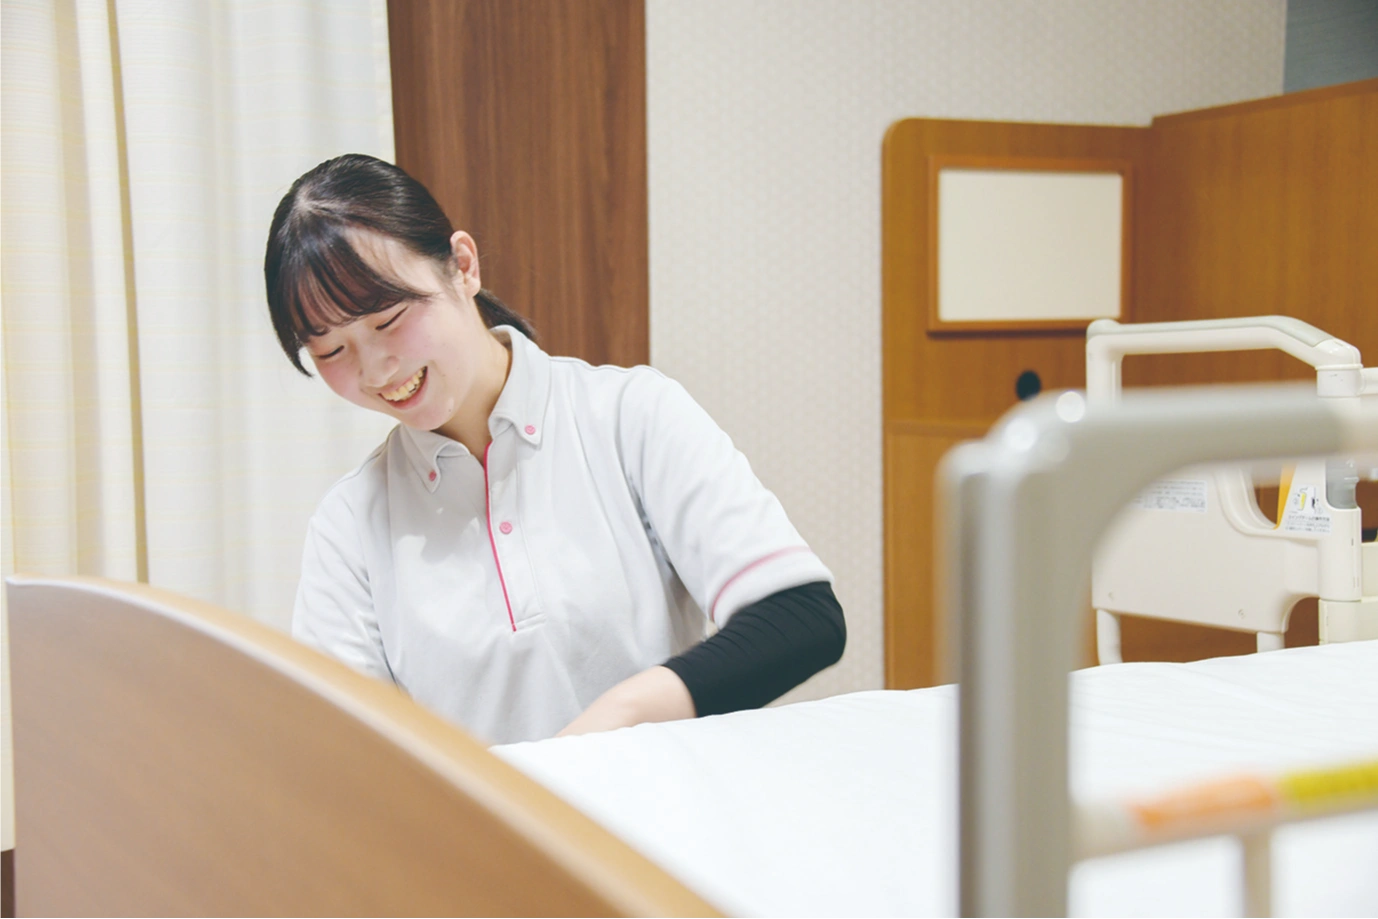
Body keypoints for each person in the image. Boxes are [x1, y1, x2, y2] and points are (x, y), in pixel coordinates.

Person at [264, 154, 845, 744]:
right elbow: (344, 746)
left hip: (658, 800)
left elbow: (799, 615)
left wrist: (619, 715)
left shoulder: (629, 416)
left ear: (462, 267)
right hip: (479, 811)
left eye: (388, 320)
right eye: (331, 351)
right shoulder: (350, 524)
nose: (375, 370)